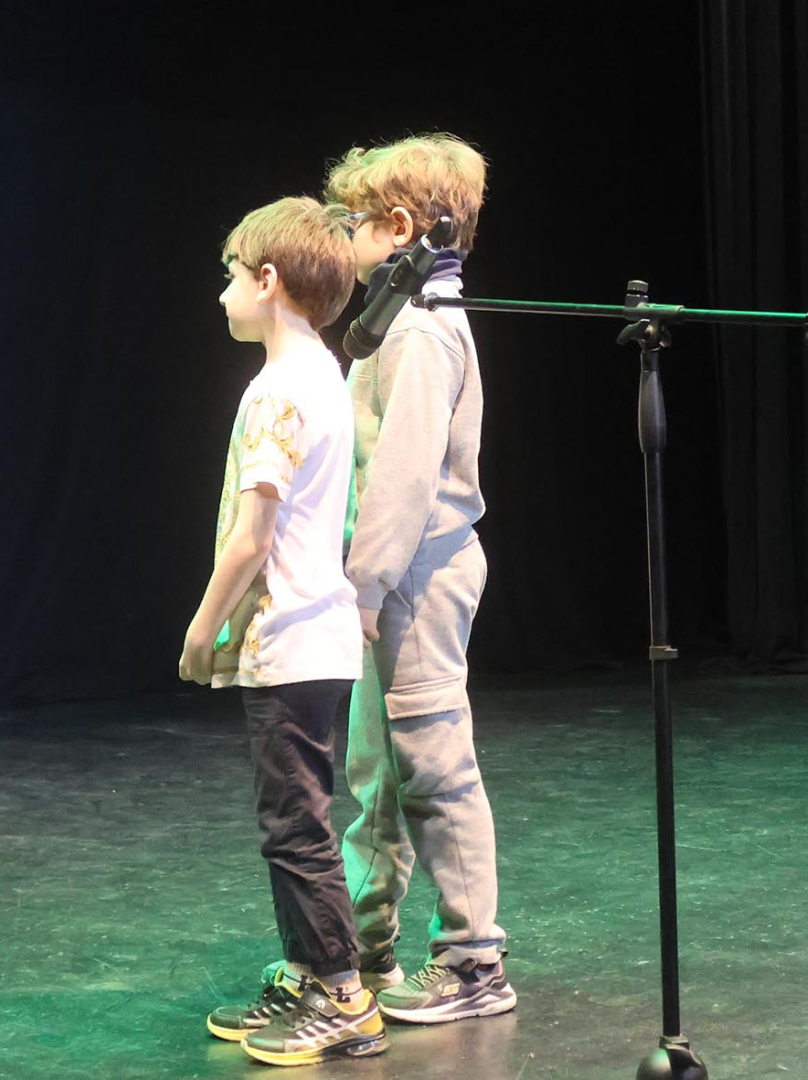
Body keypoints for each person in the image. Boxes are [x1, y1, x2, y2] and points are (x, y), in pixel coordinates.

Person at [180, 198, 384, 1065]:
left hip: (291, 639)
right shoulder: (325, 374)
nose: (222, 291)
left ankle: (344, 996)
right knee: (293, 821)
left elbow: (251, 537)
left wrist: (202, 630)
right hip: (315, 636)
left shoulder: (275, 390)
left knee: (296, 829)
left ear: (268, 282)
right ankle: (309, 972)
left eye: (231, 274)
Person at [325, 132, 516, 1023]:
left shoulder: (423, 332)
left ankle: (475, 962)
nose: (346, 237)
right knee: (377, 773)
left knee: (434, 767)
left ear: (399, 228)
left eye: (356, 222)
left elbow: (404, 477)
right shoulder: (394, 322)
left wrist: (363, 587)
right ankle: (362, 944)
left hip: (417, 577)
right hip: (386, 578)